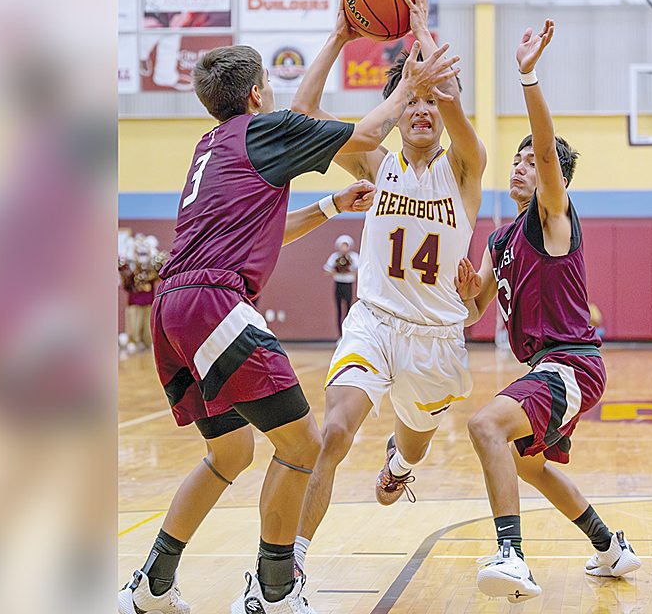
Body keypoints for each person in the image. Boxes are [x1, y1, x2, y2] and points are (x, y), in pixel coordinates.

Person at [117, 42, 458, 614]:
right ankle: (274, 591)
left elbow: (263, 230)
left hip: (172, 309)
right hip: (214, 303)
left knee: (229, 454)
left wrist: (328, 206)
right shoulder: (261, 130)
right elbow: (369, 135)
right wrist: (408, 84)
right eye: (269, 85)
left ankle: (153, 583)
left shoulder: (211, 147)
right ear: (255, 95)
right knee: (302, 444)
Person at [289, 0, 484, 573]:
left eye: (434, 103)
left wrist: (421, 38)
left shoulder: (467, 167)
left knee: (414, 443)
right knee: (334, 434)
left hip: (435, 340)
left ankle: (400, 463)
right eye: (413, 104)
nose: (424, 110)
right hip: (373, 322)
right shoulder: (376, 159)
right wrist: (339, 36)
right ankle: (287, 567)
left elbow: (447, 95)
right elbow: (301, 116)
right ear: (399, 113)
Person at [455, 20, 641, 603]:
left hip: (570, 364)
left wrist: (528, 74)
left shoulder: (552, 217)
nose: (519, 167)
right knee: (530, 465)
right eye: (515, 161)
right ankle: (611, 548)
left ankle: (512, 557)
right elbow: (474, 312)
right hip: (543, 368)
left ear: (551, 176)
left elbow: (545, 146)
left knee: (485, 425)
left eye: (530, 162)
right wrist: (463, 294)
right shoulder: (500, 239)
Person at [323, 234, 359, 337]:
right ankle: (340, 335)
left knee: (348, 309)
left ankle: (348, 334)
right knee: (339, 309)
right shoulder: (335, 257)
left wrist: (348, 270)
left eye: (346, 245)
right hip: (338, 284)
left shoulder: (354, 257)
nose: (344, 248)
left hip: (348, 284)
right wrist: (337, 271)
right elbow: (327, 270)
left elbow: (359, 269)